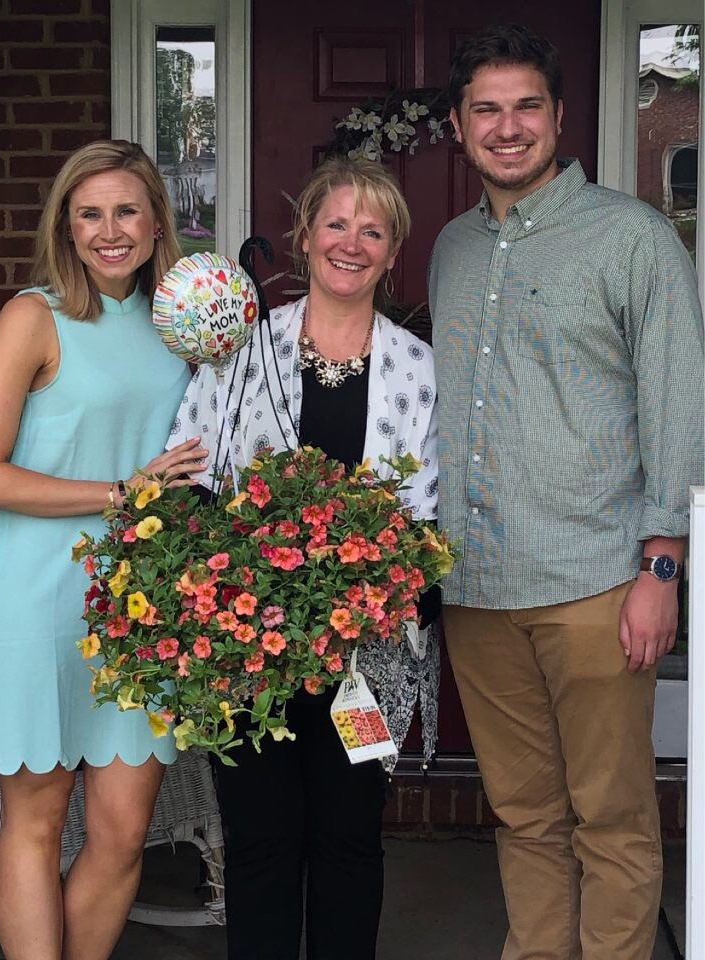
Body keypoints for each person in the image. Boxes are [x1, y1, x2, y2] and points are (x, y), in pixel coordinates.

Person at [428, 23, 704, 960]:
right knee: (524, 815)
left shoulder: (632, 239)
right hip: (476, 586)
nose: (508, 128)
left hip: (596, 581)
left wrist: (662, 567)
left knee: (615, 817)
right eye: (486, 111)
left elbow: (676, 405)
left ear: (558, 116)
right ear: (460, 129)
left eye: (526, 107)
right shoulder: (453, 249)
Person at [169, 156, 439, 959]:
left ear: (392, 254)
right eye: (336, 224)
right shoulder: (241, 355)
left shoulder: (418, 370)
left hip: (370, 654)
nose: (351, 243)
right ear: (304, 236)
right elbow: (188, 485)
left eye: (373, 230)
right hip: (249, 647)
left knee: (351, 846)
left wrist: (378, 602)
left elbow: (427, 518)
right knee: (259, 846)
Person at [0, 139, 208, 960]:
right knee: (36, 823)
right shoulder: (33, 315)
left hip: (144, 602)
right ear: (67, 228)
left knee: (122, 833)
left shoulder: (181, 326)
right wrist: (124, 493)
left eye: (125, 211)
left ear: (157, 225)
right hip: (36, 593)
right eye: (90, 214)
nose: (109, 230)